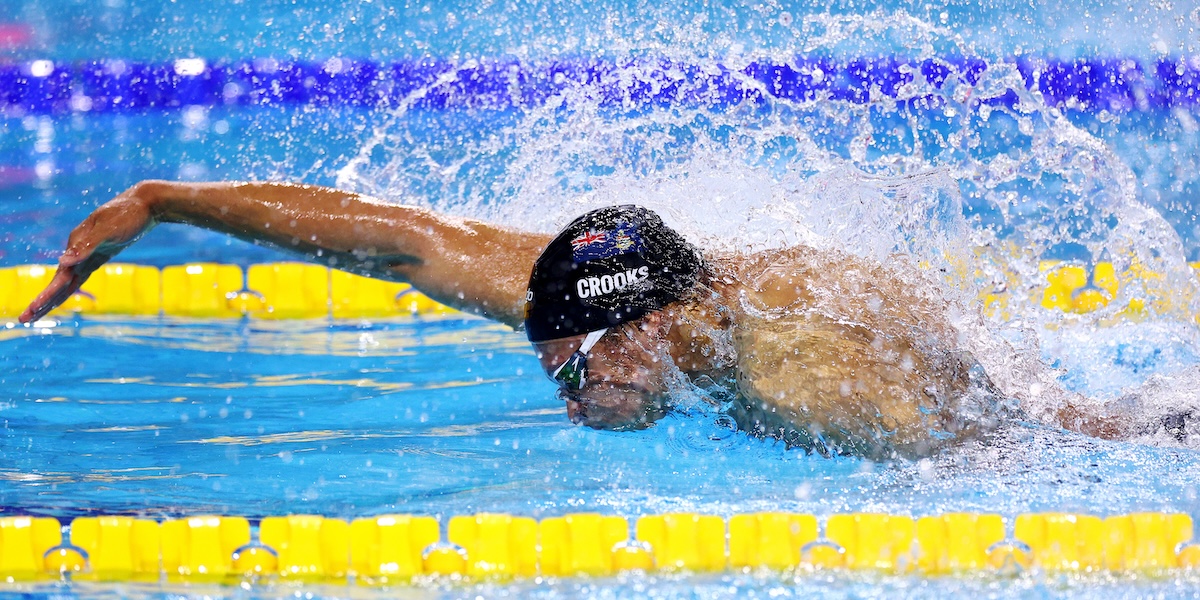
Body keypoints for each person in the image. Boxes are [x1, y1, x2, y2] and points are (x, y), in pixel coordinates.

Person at [20, 180, 1135, 459]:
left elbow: (1008, 453)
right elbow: (393, 239)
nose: (569, 393)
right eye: (550, 360)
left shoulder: (822, 376)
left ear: (655, 326)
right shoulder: (578, 288)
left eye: (584, 366)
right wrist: (165, 203)